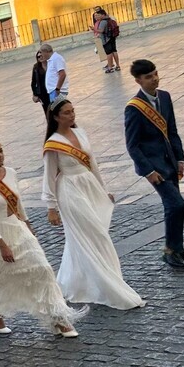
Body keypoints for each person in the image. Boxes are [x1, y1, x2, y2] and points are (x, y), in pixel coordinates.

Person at [0, 138, 84, 336]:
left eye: (1, 151)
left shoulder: (12, 173)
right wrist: (2, 245)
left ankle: (58, 318)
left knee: (43, 269)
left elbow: (18, 203)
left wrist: (28, 225)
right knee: (1, 277)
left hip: (18, 227)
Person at [44, 100, 145, 309]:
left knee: (89, 236)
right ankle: (109, 285)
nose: (71, 116)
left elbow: (93, 164)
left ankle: (75, 282)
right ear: (55, 117)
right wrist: (51, 207)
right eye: (66, 113)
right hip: (70, 191)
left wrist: (103, 188)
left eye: (73, 111)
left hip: (88, 186)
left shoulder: (80, 133)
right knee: (93, 235)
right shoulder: (53, 143)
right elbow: (49, 177)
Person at [125, 60, 184, 269]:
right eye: (148, 77)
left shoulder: (165, 97)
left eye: (155, 74)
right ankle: (170, 249)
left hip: (170, 162)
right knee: (177, 204)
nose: (154, 79)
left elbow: (172, 130)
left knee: (173, 207)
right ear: (138, 81)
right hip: (154, 167)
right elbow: (132, 145)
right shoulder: (134, 108)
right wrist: (148, 171)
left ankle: (177, 250)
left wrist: (180, 159)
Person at [93, 7, 121, 74]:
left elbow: (101, 30)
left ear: (103, 15)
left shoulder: (103, 21)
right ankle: (118, 66)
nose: (97, 17)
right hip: (112, 37)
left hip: (106, 39)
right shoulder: (110, 19)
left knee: (109, 53)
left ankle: (110, 68)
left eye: (99, 15)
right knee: (114, 51)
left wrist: (93, 29)